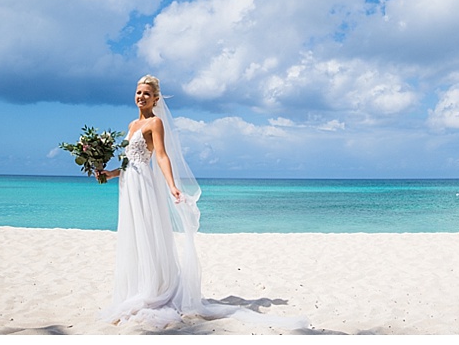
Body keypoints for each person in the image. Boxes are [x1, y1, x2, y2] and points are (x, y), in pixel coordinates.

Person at [93, 75, 308, 331]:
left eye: (146, 94)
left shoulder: (155, 122)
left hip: (143, 186)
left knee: (147, 235)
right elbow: (130, 161)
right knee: (133, 237)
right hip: (128, 184)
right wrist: (111, 173)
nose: (141, 97)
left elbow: (160, 156)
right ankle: (137, 287)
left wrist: (172, 186)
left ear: (156, 99)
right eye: (138, 92)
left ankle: (152, 289)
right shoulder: (130, 125)